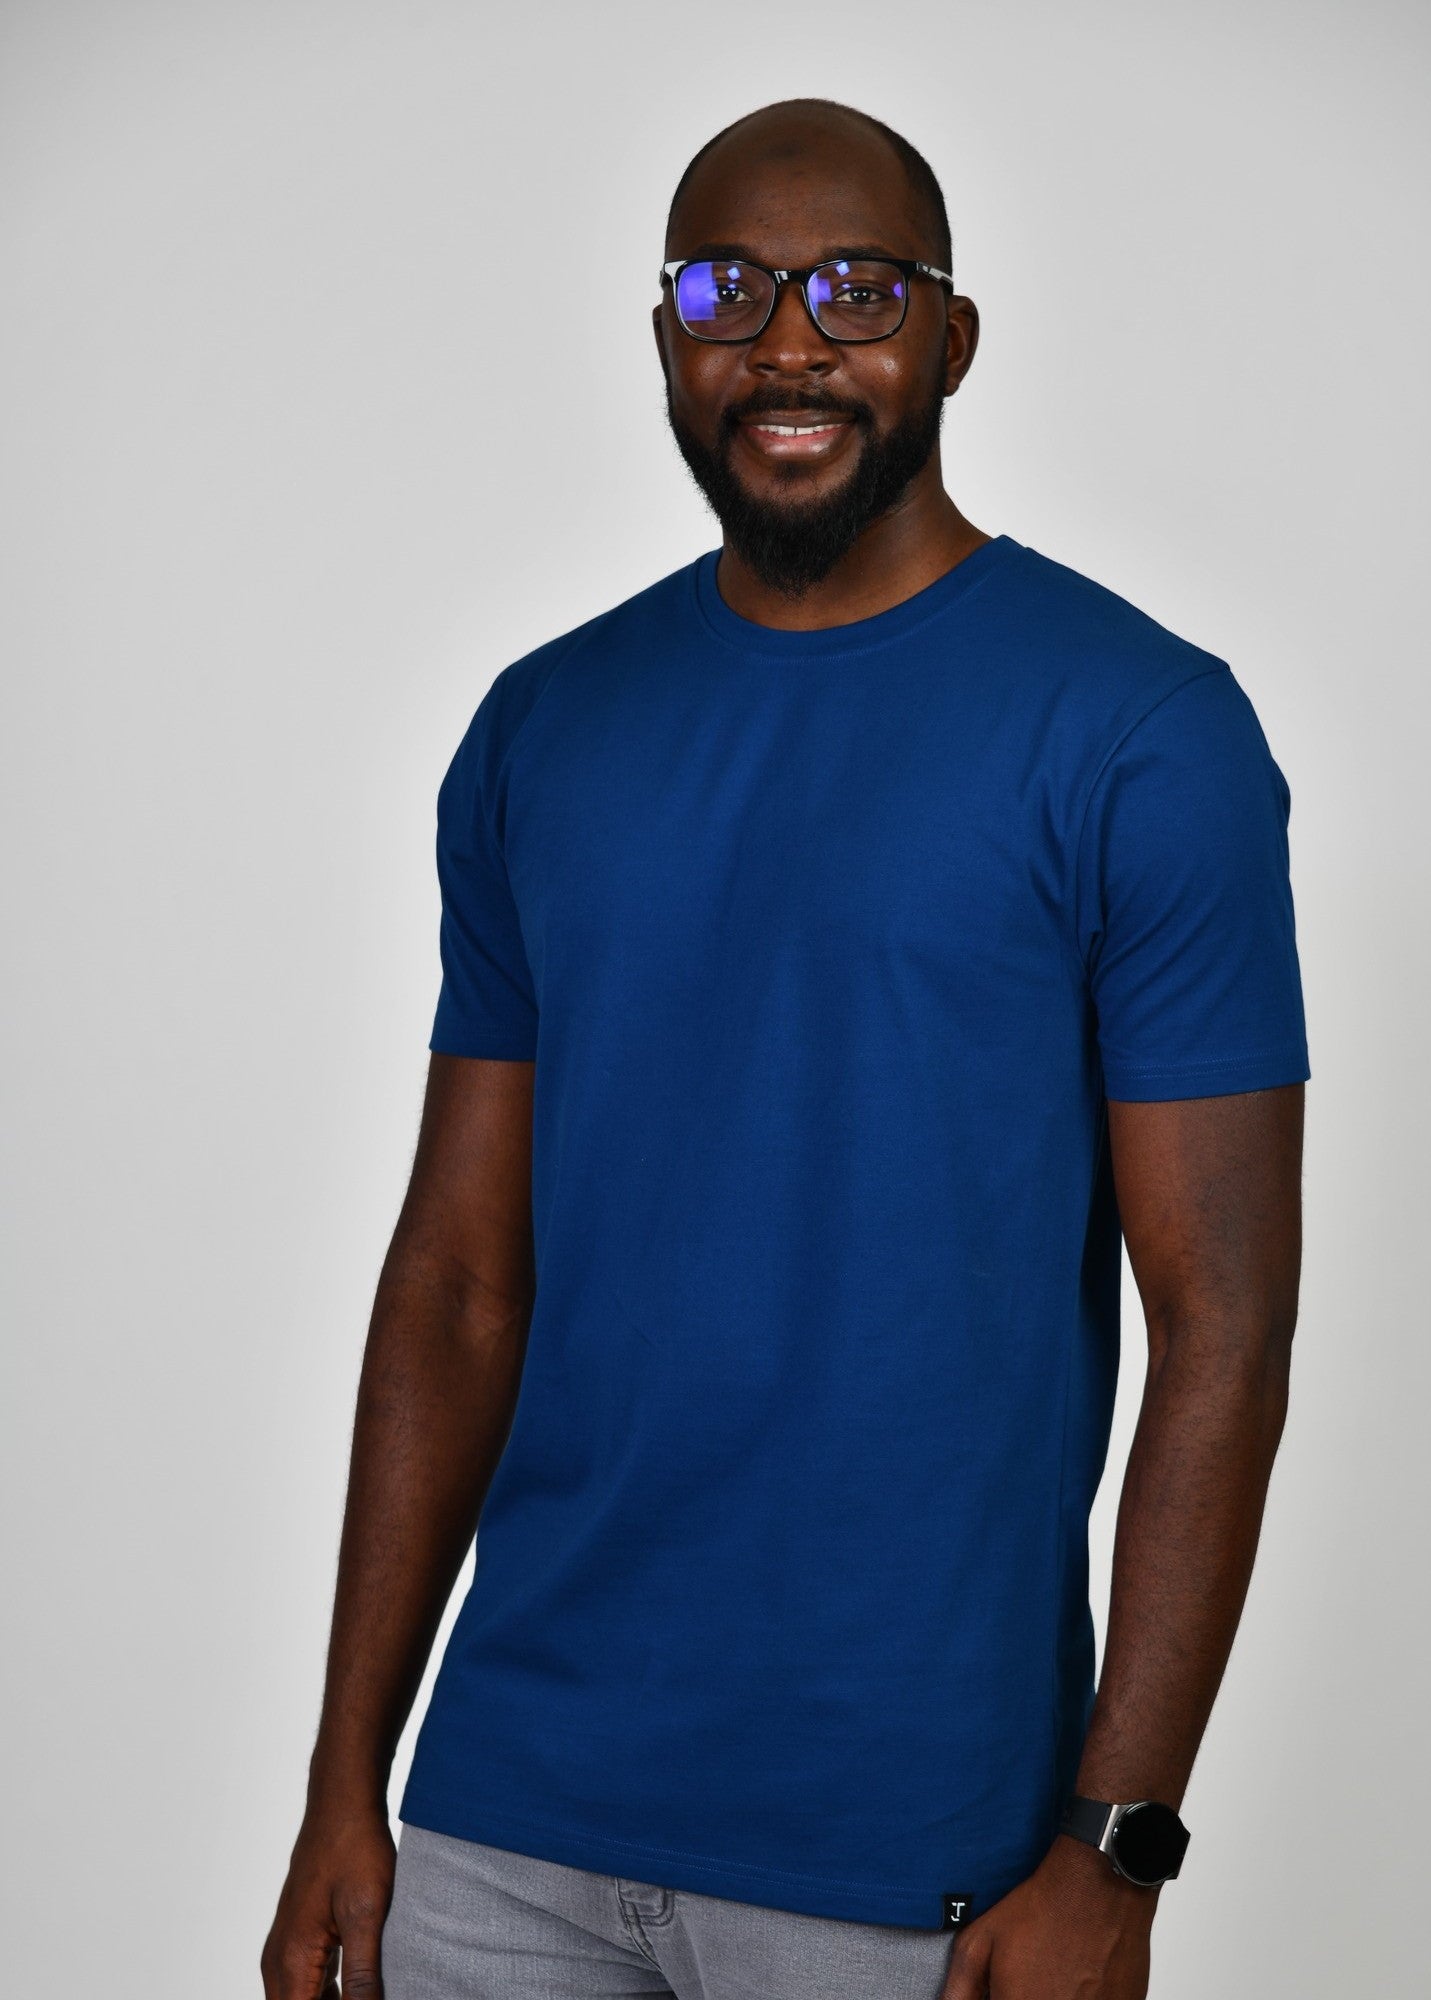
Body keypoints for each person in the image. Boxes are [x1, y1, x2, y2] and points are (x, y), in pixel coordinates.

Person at [261, 96, 1309, 2000]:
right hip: (503, 1830)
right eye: (726, 291)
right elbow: (459, 1281)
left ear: (953, 338)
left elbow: (1222, 1328)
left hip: (911, 1860)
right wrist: (348, 1782)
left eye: (855, 288)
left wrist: (1119, 1849)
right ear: (665, 338)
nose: (789, 342)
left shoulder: (1146, 735)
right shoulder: (541, 731)